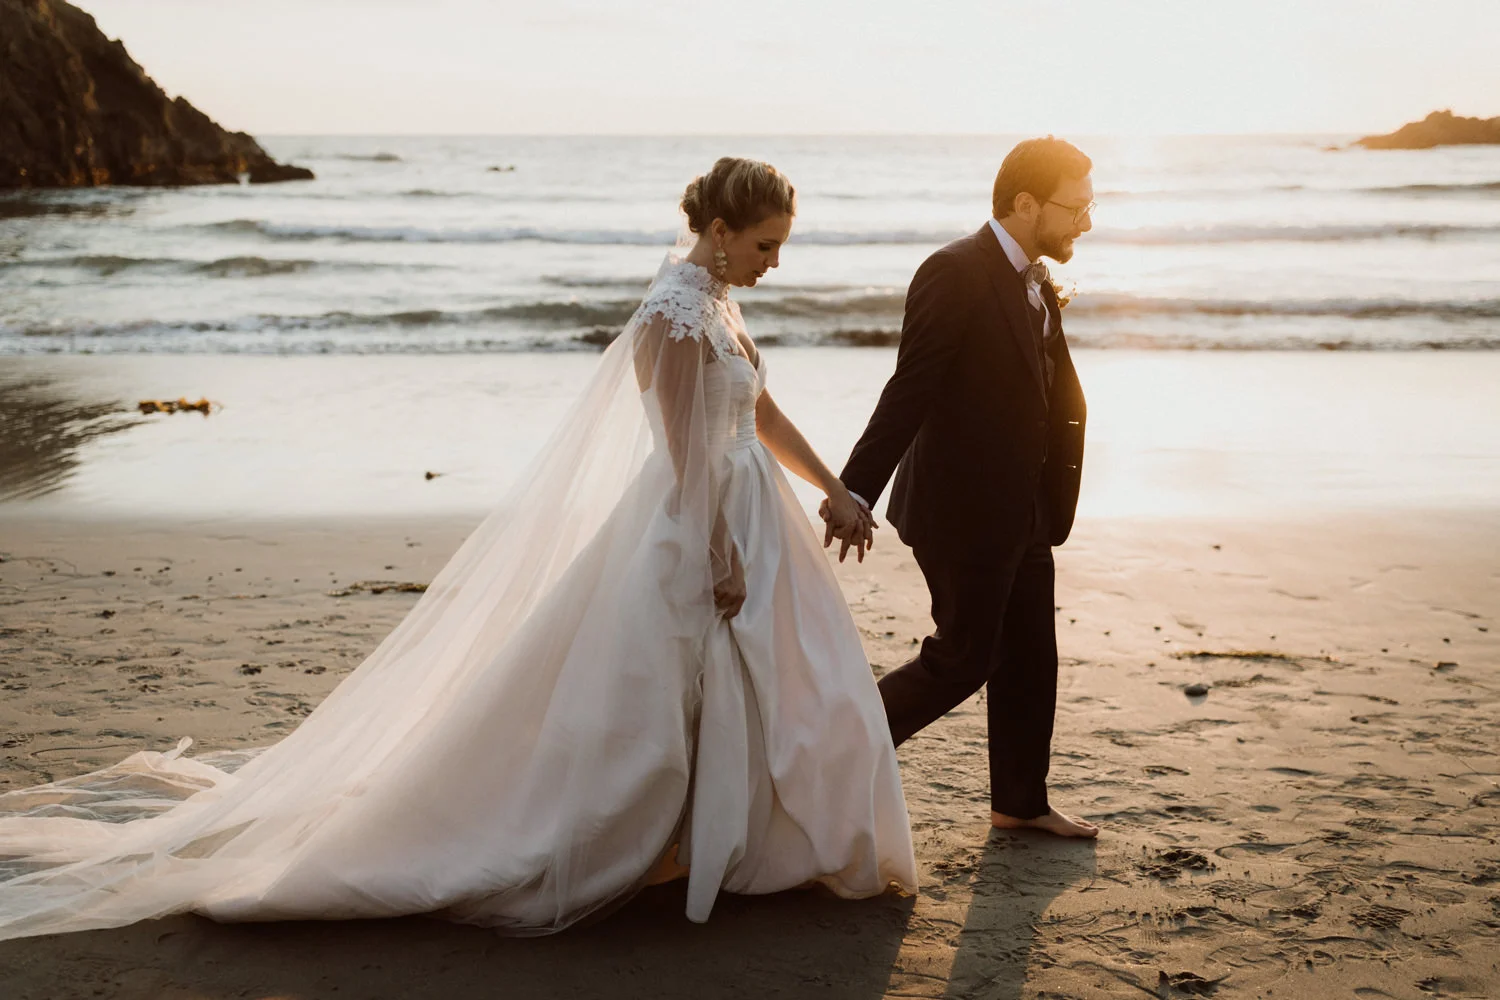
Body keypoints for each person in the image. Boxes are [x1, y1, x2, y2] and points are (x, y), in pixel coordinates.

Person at [0, 157, 916, 942]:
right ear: (719, 232)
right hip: (698, 517)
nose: (774, 263)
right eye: (765, 245)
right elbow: (682, 449)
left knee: (773, 683)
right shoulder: (673, 314)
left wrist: (832, 486)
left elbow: (757, 410)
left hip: (747, 504)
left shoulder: (716, 301)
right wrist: (716, 549)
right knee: (659, 697)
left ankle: (727, 844)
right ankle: (645, 846)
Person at [825, 137, 1099, 839]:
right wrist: (855, 491)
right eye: (1076, 208)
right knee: (963, 658)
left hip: (1028, 505)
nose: (1087, 223)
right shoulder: (953, 271)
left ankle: (1020, 803)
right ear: (1026, 204)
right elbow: (910, 389)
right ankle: (829, 755)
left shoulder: (1034, 278)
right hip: (963, 511)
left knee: (1031, 658)